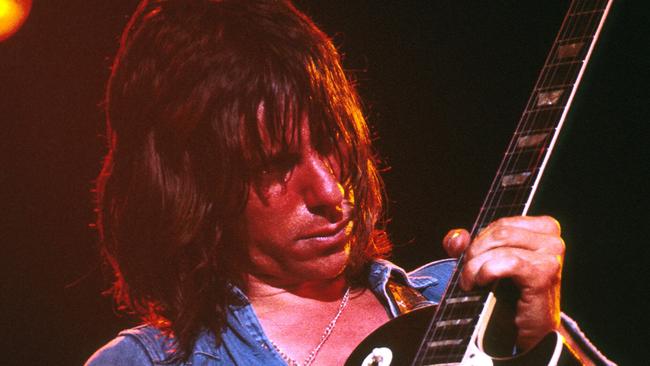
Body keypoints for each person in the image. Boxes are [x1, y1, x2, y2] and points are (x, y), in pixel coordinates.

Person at [86, 0, 611, 365]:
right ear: (189, 190)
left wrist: (543, 339)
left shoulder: (469, 301)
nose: (331, 192)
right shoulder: (142, 362)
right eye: (275, 166)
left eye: (332, 141)